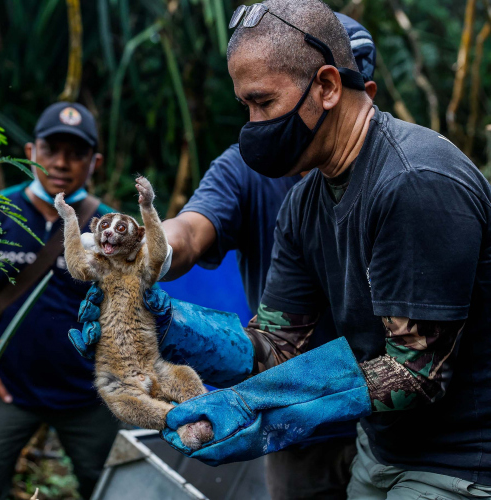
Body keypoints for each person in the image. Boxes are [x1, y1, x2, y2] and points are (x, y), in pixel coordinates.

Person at [73, 1, 491, 498]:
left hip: (462, 461)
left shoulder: (414, 182)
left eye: (263, 102)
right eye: (245, 107)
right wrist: (169, 327)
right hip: (380, 453)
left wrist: (256, 406)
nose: (252, 124)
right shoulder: (304, 205)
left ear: (328, 87)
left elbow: (416, 372)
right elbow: (278, 347)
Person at [0, 102, 120, 500]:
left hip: (88, 394)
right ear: (31, 153)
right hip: (11, 388)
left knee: (113, 486)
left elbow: (131, 305)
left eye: (76, 153)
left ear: (94, 162)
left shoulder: (110, 226)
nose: (61, 163)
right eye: (50, 150)